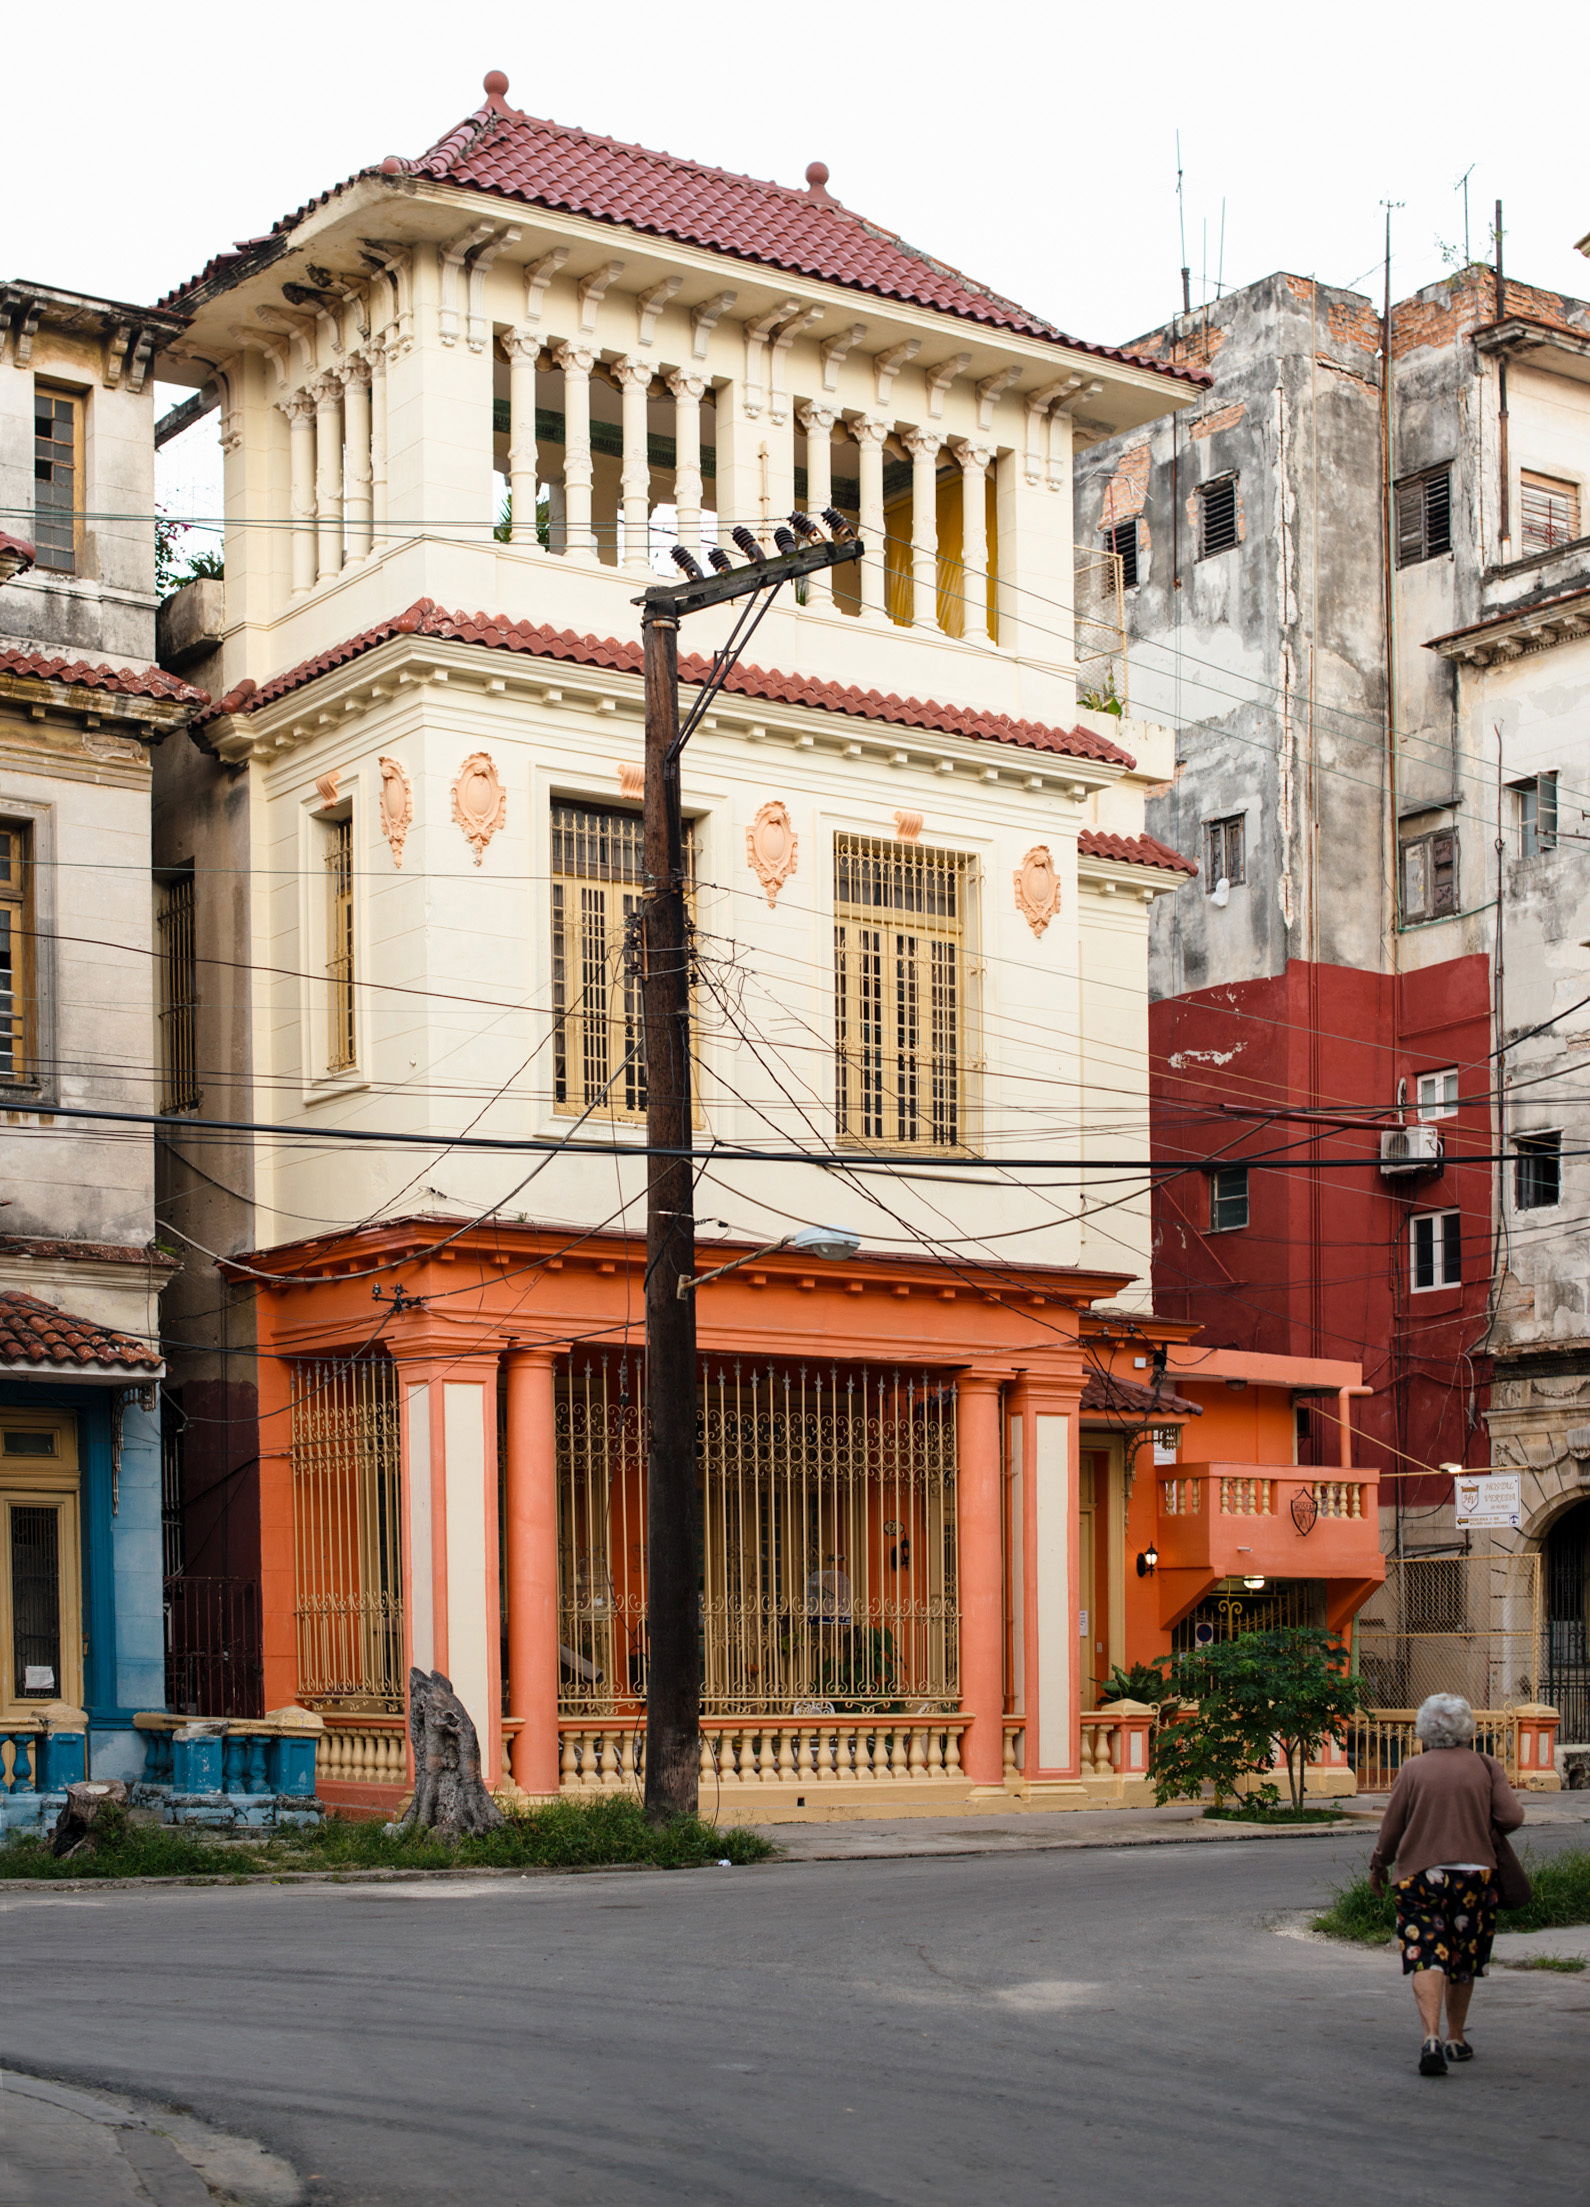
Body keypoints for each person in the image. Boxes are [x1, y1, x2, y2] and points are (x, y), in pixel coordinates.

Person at [1368, 1692, 1525, 2076]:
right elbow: (1512, 1817)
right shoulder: (1485, 1766)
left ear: (1424, 1729)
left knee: (1426, 1954)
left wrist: (1379, 1865)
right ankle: (1456, 2037)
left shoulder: (1412, 1770)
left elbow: (1392, 1830)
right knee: (1463, 1956)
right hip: (1475, 1876)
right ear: (1467, 1728)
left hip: (1421, 1876)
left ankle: (1430, 2038)